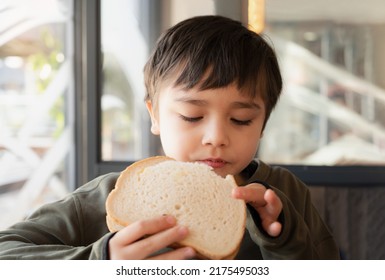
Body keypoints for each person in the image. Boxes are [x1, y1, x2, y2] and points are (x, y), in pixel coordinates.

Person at [0, 15, 340, 260]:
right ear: (155, 115)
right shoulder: (104, 199)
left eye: (241, 119)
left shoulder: (283, 195)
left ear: (263, 123)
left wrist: (285, 240)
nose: (216, 137)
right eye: (192, 116)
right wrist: (100, 261)